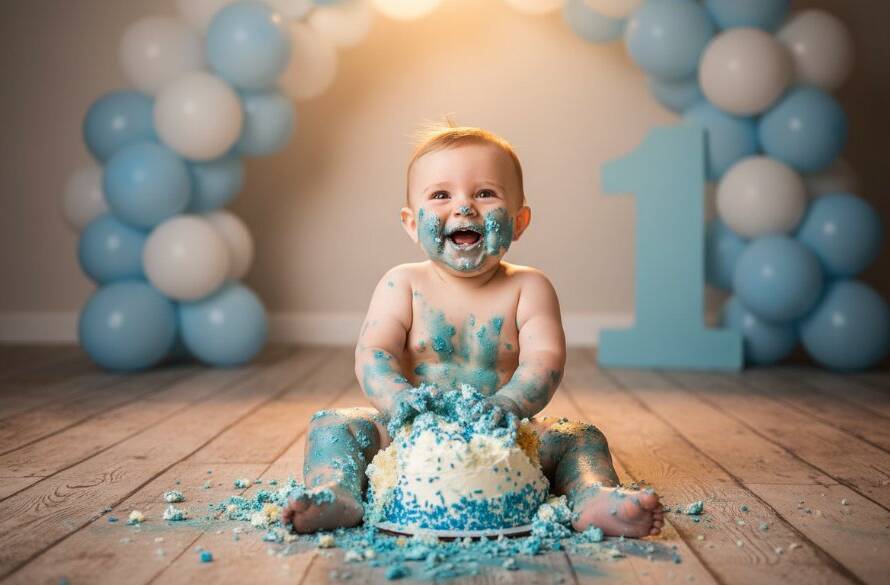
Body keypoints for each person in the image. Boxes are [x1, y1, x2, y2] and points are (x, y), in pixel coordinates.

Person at [282, 121, 664, 538]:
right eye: (441, 195)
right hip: (410, 433)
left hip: (506, 435)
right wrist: (399, 401)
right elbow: (374, 353)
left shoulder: (528, 287)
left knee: (580, 437)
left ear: (519, 221)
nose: (464, 207)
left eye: (485, 193)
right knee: (333, 425)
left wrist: (511, 404)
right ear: (412, 224)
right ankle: (335, 491)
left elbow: (545, 361)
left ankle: (594, 495)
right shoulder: (402, 283)